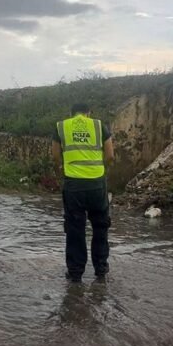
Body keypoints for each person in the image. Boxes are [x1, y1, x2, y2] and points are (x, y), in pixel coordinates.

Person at [52, 103, 114, 283]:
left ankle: (75, 273)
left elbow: (55, 156)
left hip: (73, 185)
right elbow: (110, 156)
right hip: (97, 184)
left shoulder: (62, 126)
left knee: (75, 229)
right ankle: (100, 270)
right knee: (100, 227)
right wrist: (102, 171)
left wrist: (62, 168)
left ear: (71, 113)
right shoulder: (99, 125)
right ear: (89, 113)